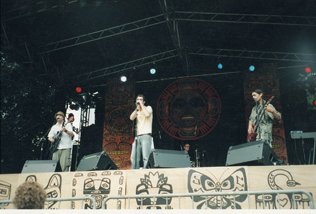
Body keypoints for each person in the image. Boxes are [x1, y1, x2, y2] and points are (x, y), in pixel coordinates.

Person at [130, 94, 154, 169]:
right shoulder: (137, 111)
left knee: (146, 156)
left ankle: (146, 172)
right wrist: (137, 109)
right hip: (138, 136)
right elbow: (131, 118)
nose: (139, 101)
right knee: (134, 157)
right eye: (137, 99)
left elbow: (147, 114)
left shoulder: (148, 108)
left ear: (144, 101)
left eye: (140, 100)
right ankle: (134, 171)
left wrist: (142, 105)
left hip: (146, 135)